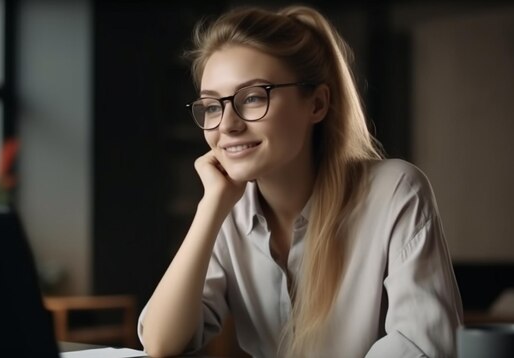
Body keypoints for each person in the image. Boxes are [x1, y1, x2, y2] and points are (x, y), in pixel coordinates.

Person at [138, 4, 463, 357]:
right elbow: (160, 343)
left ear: (317, 104)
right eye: (212, 106)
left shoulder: (396, 193)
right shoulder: (228, 212)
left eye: (252, 98)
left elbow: (423, 345)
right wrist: (210, 207)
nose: (227, 125)